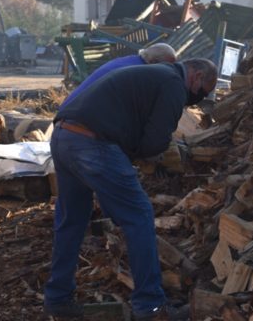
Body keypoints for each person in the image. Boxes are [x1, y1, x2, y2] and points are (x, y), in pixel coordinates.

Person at [43, 58, 218, 320]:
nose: (196, 99)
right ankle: (150, 306)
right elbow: (155, 141)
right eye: (202, 92)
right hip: (93, 143)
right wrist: (161, 160)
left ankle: (57, 298)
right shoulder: (173, 84)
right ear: (196, 76)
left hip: (63, 137)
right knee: (139, 216)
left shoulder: (155, 74)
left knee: (72, 220)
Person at [60, 43, 176, 109]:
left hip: (70, 112)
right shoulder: (137, 72)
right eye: (166, 67)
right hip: (77, 119)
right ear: (153, 61)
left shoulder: (130, 61)